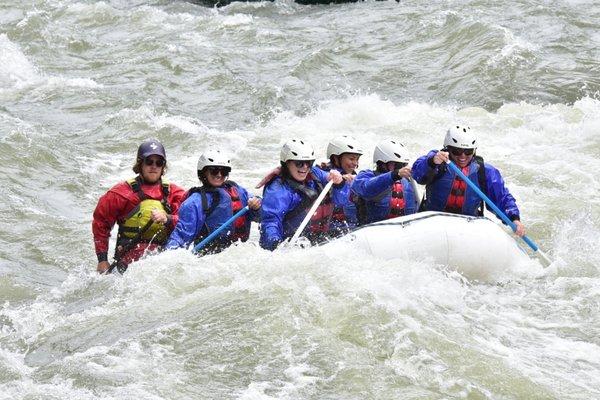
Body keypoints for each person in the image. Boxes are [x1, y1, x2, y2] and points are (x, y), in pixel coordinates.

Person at [411, 125, 526, 236]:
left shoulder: (485, 171)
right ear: (447, 149)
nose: (462, 156)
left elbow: (502, 198)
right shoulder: (436, 162)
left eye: (468, 151)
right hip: (433, 221)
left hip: (468, 226)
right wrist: (432, 162)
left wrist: (514, 218)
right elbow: (417, 173)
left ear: (474, 151)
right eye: (456, 151)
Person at [92, 139, 186, 273]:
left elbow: (188, 223)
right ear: (140, 164)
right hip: (127, 264)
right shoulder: (120, 193)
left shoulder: (175, 194)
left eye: (159, 163)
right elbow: (101, 223)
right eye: (149, 161)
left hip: (163, 261)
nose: (154, 166)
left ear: (163, 167)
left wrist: (168, 218)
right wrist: (102, 259)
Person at [165, 149, 261, 253]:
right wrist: (168, 256)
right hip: (208, 257)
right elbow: (181, 236)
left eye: (223, 171)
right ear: (203, 172)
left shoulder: (238, 191)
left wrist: (257, 206)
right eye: (214, 171)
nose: (219, 175)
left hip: (239, 252)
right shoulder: (195, 202)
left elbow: (263, 215)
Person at [259, 138, 345, 251]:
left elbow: (341, 197)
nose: (305, 167)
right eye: (299, 163)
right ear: (286, 163)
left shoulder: (314, 173)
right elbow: (270, 222)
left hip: (319, 241)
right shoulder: (277, 191)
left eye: (309, 163)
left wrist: (339, 181)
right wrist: (276, 245)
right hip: (293, 246)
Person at [351, 139, 419, 224]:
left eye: (403, 165)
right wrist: (394, 175)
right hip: (371, 230)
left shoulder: (408, 182)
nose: (400, 168)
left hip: (403, 231)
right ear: (383, 163)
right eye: (397, 165)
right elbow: (366, 189)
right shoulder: (365, 176)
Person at [316, 135, 364, 236]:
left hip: (353, 228)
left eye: (357, 159)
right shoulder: (323, 175)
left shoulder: (355, 176)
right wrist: (341, 179)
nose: (355, 163)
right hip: (331, 233)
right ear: (336, 158)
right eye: (351, 159)